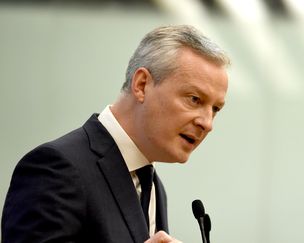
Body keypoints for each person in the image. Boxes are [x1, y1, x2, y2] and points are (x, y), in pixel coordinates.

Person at [1, 25, 230, 243]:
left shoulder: (153, 185)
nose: (207, 123)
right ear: (141, 85)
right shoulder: (57, 168)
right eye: (194, 99)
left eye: (216, 109)